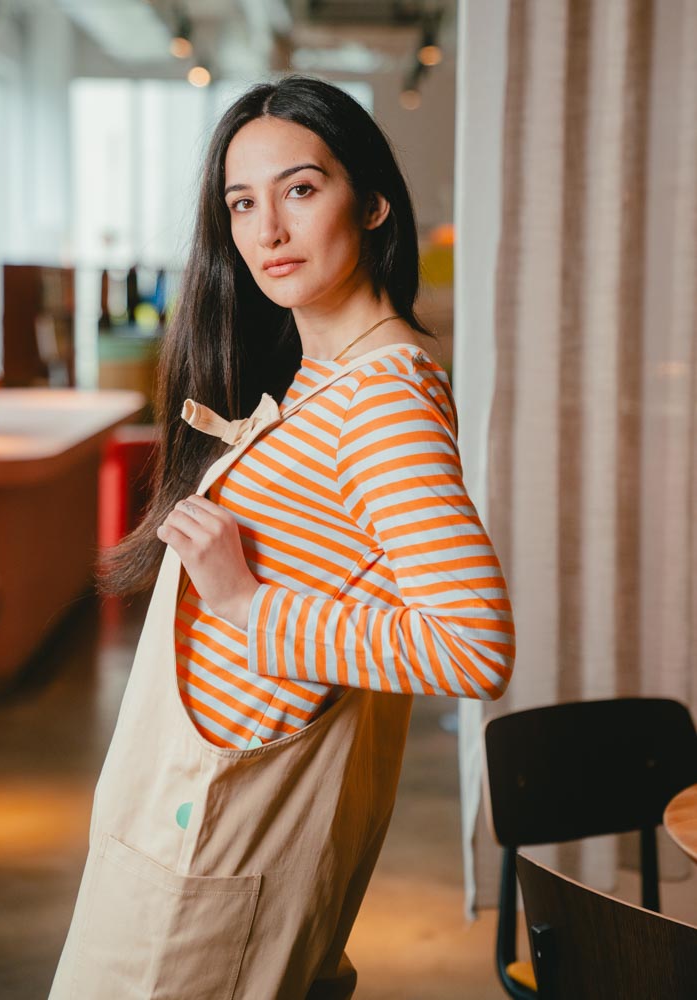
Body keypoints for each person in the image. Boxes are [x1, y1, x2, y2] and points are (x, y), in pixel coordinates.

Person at [49, 76, 514, 1000]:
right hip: (188, 824)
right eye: (242, 202)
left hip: (221, 842)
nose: (267, 230)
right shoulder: (325, 376)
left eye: (301, 190)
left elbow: (474, 644)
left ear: (373, 202)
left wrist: (247, 605)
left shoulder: (382, 396)